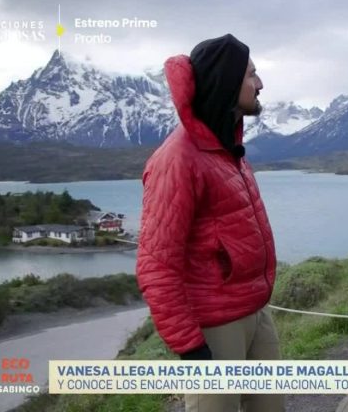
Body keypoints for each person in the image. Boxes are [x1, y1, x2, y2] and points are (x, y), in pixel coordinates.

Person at [135, 33, 284, 412]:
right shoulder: (178, 159)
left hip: (254, 311)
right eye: (252, 74)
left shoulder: (227, 148)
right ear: (227, 81)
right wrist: (190, 347)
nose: (260, 83)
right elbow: (156, 264)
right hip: (214, 327)